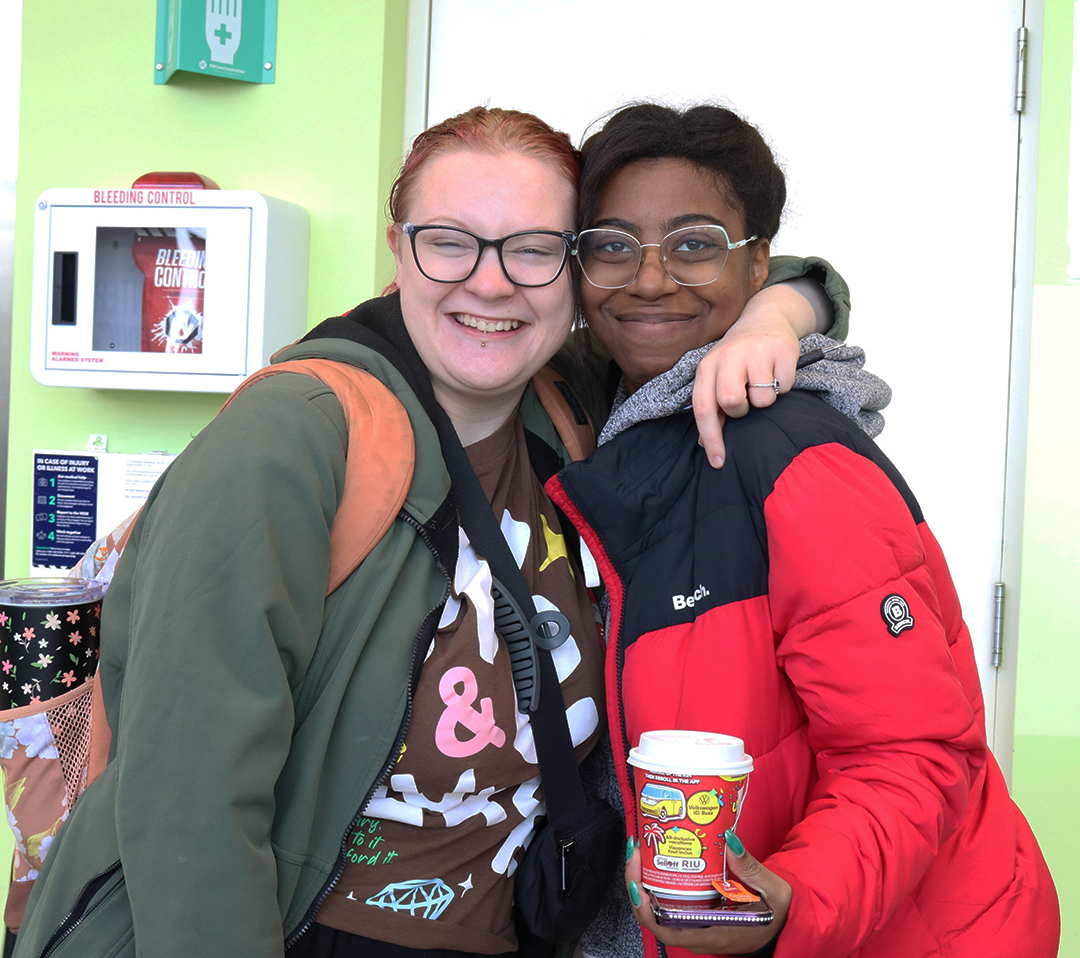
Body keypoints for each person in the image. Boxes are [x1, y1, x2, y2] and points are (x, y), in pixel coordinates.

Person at [9, 107, 851, 958]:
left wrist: (776, 315)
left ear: (577, 272)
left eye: (531, 248)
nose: (490, 284)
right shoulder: (295, 437)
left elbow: (722, 278)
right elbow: (188, 799)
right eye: (449, 241)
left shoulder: (569, 410)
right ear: (397, 247)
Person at [548, 102, 1060, 958]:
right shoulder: (610, 419)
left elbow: (914, 755)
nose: (647, 278)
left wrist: (788, 901)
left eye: (694, 243)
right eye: (611, 244)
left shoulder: (796, 456)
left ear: (757, 266)